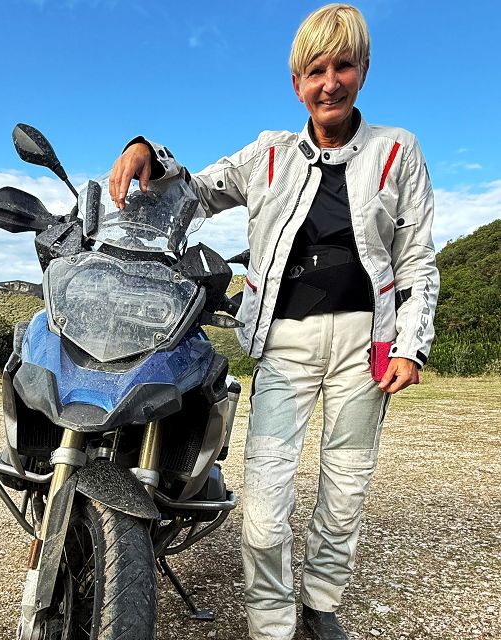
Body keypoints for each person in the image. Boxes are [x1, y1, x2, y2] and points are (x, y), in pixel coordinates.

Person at [108, 4, 439, 639]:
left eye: (344, 66)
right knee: (263, 508)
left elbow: (417, 257)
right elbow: (195, 189)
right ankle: (270, 622)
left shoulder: (398, 150)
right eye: (316, 71)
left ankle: (319, 601)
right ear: (297, 83)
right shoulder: (269, 154)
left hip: (366, 348)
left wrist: (410, 344)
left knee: (345, 491)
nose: (330, 83)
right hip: (284, 345)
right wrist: (145, 149)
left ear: (364, 70)